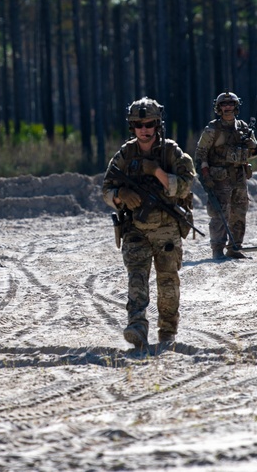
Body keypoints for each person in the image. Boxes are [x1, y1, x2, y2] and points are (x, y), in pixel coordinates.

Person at [103, 97, 196, 350]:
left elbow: (186, 185)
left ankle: (167, 331)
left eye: (149, 124)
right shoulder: (125, 154)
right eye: (138, 124)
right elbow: (106, 189)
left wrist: (156, 172)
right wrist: (121, 195)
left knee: (168, 283)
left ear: (157, 125)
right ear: (131, 127)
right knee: (136, 280)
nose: (144, 129)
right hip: (135, 230)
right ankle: (137, 327)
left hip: (166, 230)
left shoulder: (172, 152)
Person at [194, 91, 257, 259]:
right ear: (219, 108)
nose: (228, 107)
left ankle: (235, 247)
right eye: (224, 105)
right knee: (220, 213)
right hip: (219, 178)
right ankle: (217, 249)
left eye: (231, 104)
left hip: (239, 176)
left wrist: (248, 144)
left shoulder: (244, 127)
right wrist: (205, 176)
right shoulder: (212, 129)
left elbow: (254, 152)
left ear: (236, 106)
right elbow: (201, 154)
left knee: (239, 211)